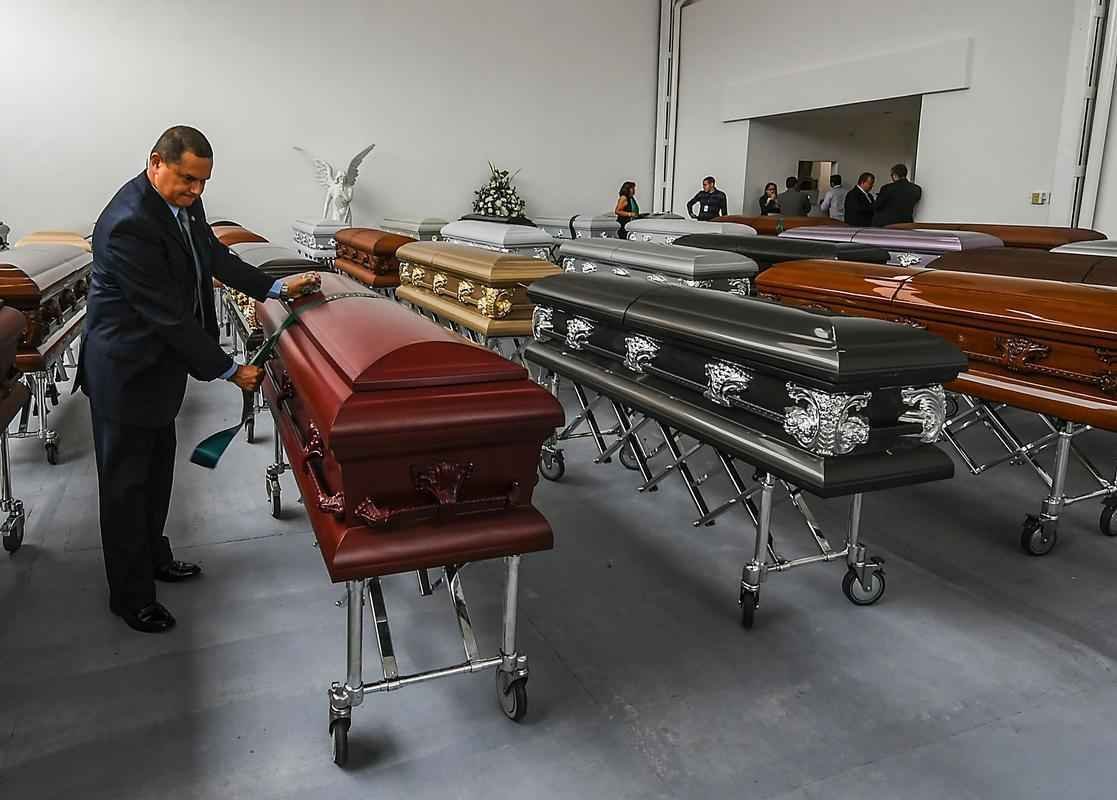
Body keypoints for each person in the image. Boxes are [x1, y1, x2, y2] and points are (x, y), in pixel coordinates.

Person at [76, 125, 321, 633]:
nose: (197, 192)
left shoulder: (183, 203)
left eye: (203, 183)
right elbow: (164, 315)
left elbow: (213, 255)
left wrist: (274, 287)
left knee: (158, 472)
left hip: (157, 369)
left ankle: (154, 557)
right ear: (156, 162)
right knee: (125, 486)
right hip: (125, 371)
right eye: (188, 180)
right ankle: (130, 595)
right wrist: (231, 369)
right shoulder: (127, 223)